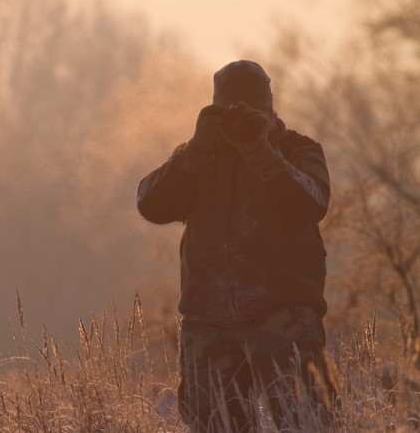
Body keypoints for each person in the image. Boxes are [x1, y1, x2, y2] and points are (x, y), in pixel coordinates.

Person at [137, 61, 336, 431]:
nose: (240, 119)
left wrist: (262, 153)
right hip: (210, 321)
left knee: (308, 423)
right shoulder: (196, 158)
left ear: (270, 108)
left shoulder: (297, 150)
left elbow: (312, 204)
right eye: (231, 108)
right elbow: (150, 204)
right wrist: (195, 151)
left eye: (251, 108)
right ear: (215, 109)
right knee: (215, 426)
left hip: (283, 316)